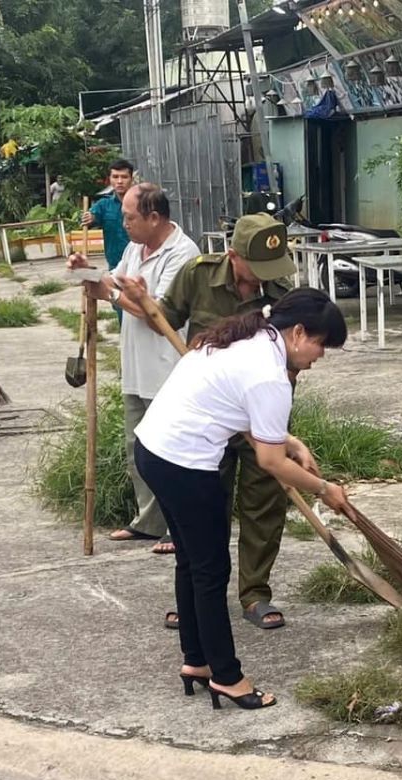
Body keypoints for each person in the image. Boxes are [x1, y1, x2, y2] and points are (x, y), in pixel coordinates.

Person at [132, 288, 351, 710]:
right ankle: (228, 677)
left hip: (153, 450)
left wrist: (290, 440)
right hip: (185, 465)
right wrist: (325, 490)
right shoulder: (270, 375)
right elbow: (269, 461)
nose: (320, 356)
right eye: (321, 345)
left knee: (192, 563)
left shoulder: (244, 338)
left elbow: (235, 408)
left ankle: (196, 661)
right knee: (211, 573)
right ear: (299, 332)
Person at [123, 212, 298, 631]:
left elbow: (289, 361)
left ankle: (255, 593)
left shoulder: (281, 289)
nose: (264, 279)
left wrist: (275, 427)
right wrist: (138, 301)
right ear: (232, 256)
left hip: (259, 415)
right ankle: (200, 597)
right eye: (256, 269)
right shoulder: (197, 275)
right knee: (204, 509)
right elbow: (163, 318)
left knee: (263, 505)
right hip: (206, 422)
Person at [72, 182, 200, 553]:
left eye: (130, 217)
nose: (123, 223)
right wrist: (88, 273)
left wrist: (110, 294)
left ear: (154, 217)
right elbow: (115, 279)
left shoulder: (183, 253)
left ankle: (177, 527)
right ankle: (148, 521)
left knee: (170, 452)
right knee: (137, 447)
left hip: (167, 368)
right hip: (136, 365)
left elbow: (157, 313)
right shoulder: (135, 247)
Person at [81, 159, 136, 271]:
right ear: (109, 180)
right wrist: (89, 218)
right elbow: (91, 217)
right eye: (115, 177)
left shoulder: (142, 202)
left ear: (131, 179)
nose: (119, 181)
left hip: (140, 263)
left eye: (124, 177)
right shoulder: (103, 205)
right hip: (115, 266)